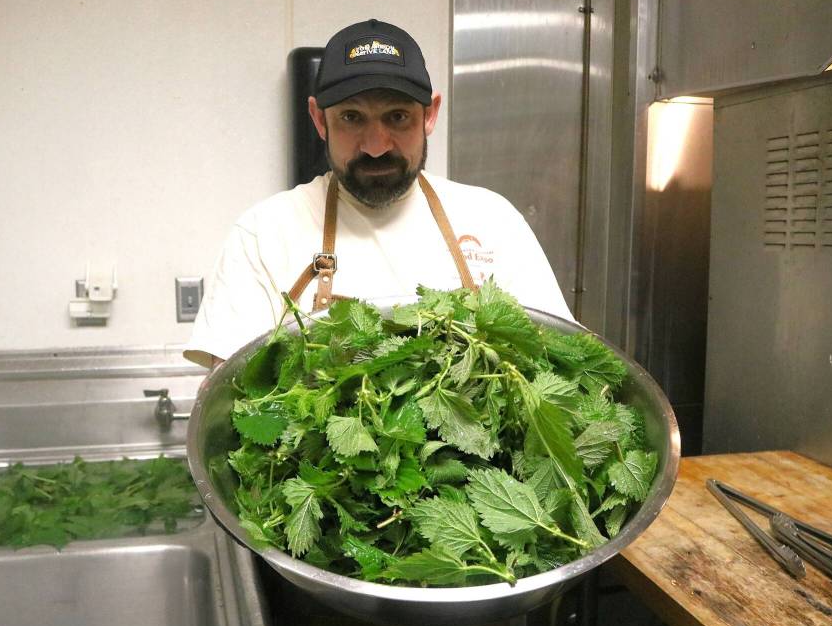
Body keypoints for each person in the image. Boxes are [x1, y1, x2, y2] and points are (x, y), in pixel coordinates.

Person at [184, 19, 573, 368]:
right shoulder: (263, 233)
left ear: (430, 114)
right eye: (352, 118)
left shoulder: (493, 220)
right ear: (320, 119)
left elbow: (561, 359)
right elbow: (230, 401)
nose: (375, 145)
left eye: (397, 117)